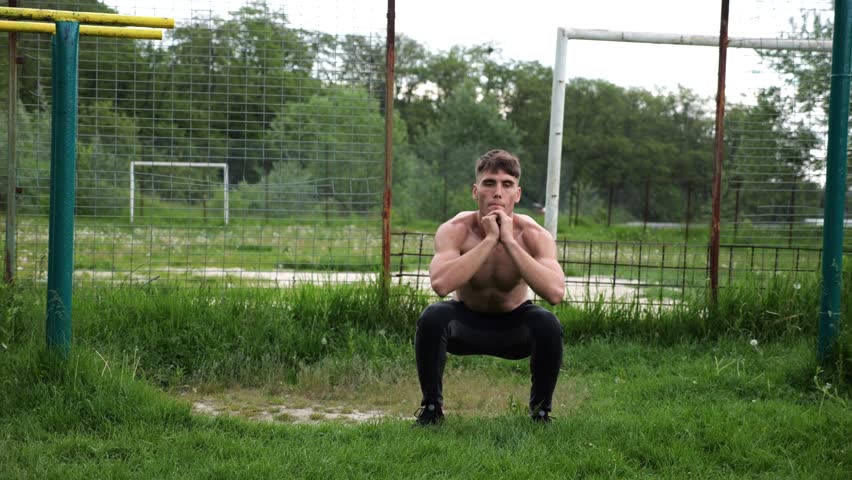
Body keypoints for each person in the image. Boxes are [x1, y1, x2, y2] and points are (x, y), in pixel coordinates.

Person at [413, 149, 566, 426]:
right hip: (466, 322)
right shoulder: (455, 229)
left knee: (547, 323)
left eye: (507, 184)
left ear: (517, 195)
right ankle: (432, 410)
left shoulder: (533, 235)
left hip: (515, 324)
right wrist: (489, 240)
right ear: (476, 191)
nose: (498, 192)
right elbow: (441, 285)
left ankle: (541, 413)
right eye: (489, 183)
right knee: (432, 316)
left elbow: (555, 293)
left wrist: (508, 241)